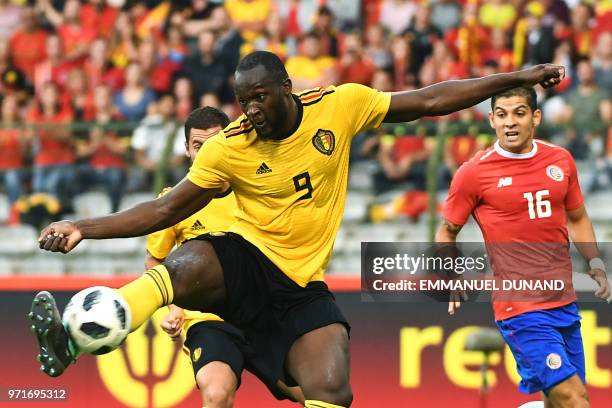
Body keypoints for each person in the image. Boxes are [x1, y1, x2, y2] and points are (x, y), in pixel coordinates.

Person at [32, 51, 565, 407]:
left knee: (331, 388)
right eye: (244, 102)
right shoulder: (229, 147)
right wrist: (83, 227)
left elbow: (428, 99)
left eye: (260, 97)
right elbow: (165, 210)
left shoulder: (339, 106)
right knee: (192, 260)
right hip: (245, 264)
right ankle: (86, 332)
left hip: (299, 286)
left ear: (286, 88)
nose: (252, 111)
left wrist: (515, 78)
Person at [436, 86, 611, 408]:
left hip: (563, 301)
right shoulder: (474, 173)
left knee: (560, 400)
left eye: (519, 113)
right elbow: (446, 232)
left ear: (536, 117)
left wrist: (595, 263)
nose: (510, 123)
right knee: (576, 399)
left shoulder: (560, 160)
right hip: (520, 308)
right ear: (491, 120)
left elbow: (578, 216)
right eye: (501, 115)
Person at [149, 106, 304, 407]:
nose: (207, 153)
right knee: (216, 394)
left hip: (264, 313)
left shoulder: (259, 188)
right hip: (209, 319)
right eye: (198, 146)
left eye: (215, 144)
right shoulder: (174, 202)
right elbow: (155, 260)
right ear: (187, 150)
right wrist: (173, 307)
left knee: (316, 393)